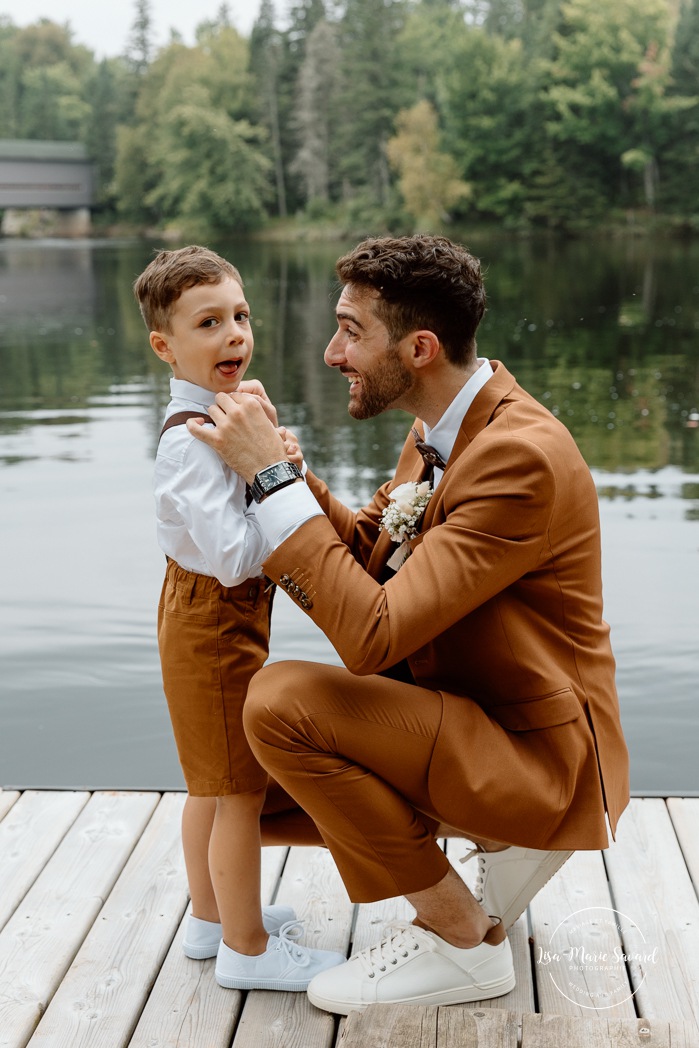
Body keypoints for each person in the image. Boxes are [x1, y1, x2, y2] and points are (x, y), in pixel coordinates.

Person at [185, 234, 630, 1014]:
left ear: (419, 348)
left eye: (351, 331)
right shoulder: (438, 432)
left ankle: (461, 941)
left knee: (279, 701)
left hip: (544, 763)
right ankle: (488, 857)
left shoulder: (516, 456)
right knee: (244, 775)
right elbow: (375, 561)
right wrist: (293, 477)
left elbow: (374, 634)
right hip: (477, 719)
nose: (331, 353)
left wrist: (270, 477)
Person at [133, 245, 344, 991]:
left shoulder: (210, 417)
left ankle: (210, 920)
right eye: (209, 322)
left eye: (241, 316)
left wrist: (261, 451)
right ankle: (247, 951)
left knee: (207, 783)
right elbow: (232, 558)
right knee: (239, 790)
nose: (234, 334)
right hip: (214, 618)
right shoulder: (193, 444)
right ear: (165, 345)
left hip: (197, 615)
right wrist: (272, 485)